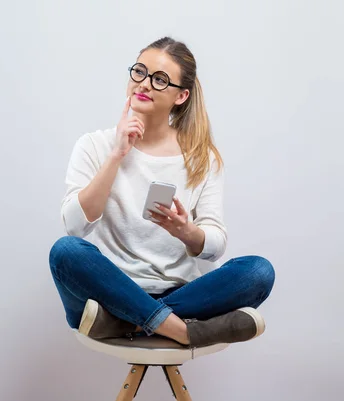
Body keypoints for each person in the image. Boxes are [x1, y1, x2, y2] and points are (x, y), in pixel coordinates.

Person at [48, 37, 275, 348]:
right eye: (139, 72)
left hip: (175, 294)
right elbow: (75, 226)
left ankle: (129, 323)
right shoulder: (94, 145)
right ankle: (183, 331)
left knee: (258, 271)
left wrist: (186, 232)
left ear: (181, 95)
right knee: (66, 251)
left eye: (159, 79)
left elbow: (215, 245)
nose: (144, 84)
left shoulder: (201, 157)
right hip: (108, 292)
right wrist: (116, 155)